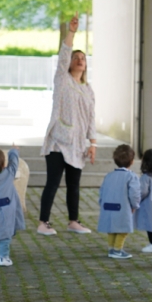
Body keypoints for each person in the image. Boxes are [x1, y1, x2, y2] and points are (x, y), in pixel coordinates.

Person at [37, 12, 96, 236]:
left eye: (83, 58)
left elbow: (91, 118)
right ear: (70, 63)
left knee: (74, 184)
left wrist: (93, 144)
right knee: (53, 182)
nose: (80, 60)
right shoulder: (62, 79)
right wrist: (71, 32)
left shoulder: (88, 90)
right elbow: (63, 55)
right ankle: (43, 222)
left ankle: (73, 221)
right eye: (76, 57)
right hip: (58, 141)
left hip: (78, 143)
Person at [98, 145, 140, 259]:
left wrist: (101, 203)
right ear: (132, 161)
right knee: (123, 229)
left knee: (111, 229)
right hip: (123, 207)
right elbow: (134, 193)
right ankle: (117, 250)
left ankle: (111, 248)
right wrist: (135, 205)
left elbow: (101, 191)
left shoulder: (109, 176)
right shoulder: (131, 176)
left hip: (107, 206)